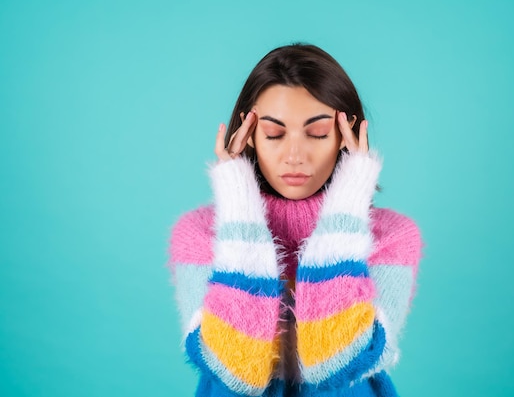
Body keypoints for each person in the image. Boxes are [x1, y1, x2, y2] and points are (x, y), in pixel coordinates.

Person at [167, 43, 423, 397]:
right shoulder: (199, 235)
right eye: (273, 134)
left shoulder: (392, 237)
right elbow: (235, 369)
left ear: (345, 137)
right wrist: (238, 204)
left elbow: (336, 362)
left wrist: (350, 197)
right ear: (250, 136)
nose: (294, 156)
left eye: (317, 133)